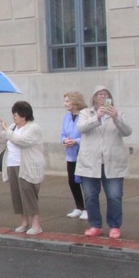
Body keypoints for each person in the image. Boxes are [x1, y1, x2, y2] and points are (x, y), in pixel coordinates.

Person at [76, 86, 132, 239]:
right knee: (90, 196)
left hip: (112, 162)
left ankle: (114, 226)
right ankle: (95, 225)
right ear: (94, 97)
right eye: (99, 94)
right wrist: (97, 118)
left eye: (105, 94)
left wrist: (116, 118)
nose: (102, 97)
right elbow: (81, 127)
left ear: (110, 98)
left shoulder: (118, 113)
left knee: (114, 195)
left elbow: (127, 131)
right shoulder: (85, 113)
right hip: (90, 163)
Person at [0, 101, 45, 235]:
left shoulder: (33, 128)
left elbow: (21, 141)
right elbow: (0, 139)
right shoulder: (13, 127)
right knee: (17, 195)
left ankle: (36, 224)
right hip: (12, 164)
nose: (14, 117)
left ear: (24, 115)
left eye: (16, 115)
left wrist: (7, 130)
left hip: (27, 166)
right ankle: (24, 222)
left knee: (29, 194)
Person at [62, 91, 87, 219]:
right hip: (70, 154)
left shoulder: (85, 115)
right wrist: (65, 141)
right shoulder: (67, 117)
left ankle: (88, 208)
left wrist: (76, 141)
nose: (65, 104)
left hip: (82, 154)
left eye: (67, 101)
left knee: (85, 181)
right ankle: (79, 206)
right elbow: (63, 134)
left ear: (75, 102)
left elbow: (89, 136)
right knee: (72, 181)